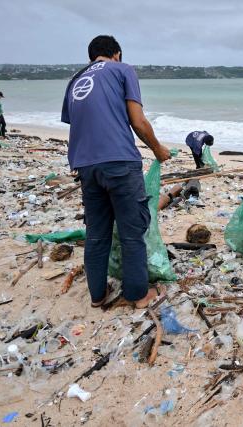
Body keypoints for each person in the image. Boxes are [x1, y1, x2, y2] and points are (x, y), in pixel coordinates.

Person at [61, 35, 171, 309]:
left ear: (91, 57)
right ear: (117, 54)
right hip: (119, 162)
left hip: (85, 165)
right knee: (131, 231)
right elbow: (138, 120)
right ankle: (139, 295)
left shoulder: (75, 80)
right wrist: (158, 149)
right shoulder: (123, 69)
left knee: (97, 233)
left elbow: (80, 123)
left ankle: (97, 296)